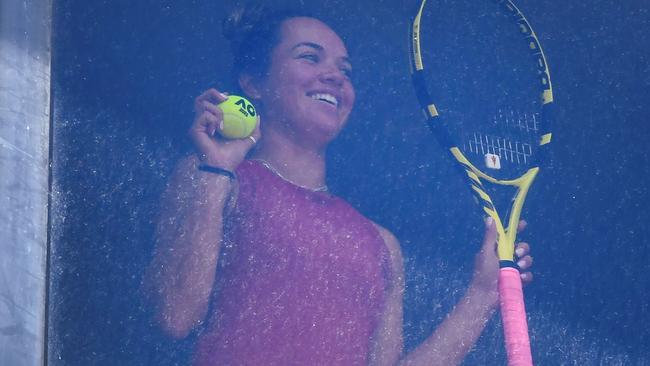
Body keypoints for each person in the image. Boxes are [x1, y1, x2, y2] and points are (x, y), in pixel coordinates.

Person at [142, 4, 533, 365]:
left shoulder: (382, 245)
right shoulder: (213, 177)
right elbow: (175, 315)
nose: (335, 76)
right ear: (254, 83)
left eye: (345, 71)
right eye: (309, 57)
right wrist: (216, 171)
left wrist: (483, 293)